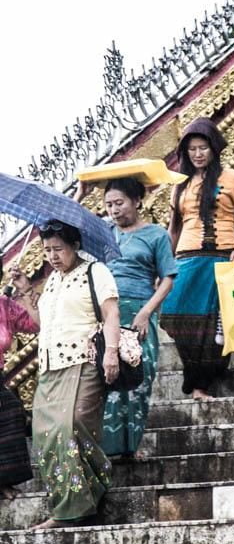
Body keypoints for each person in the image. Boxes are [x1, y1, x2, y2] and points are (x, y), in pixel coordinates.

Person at [11, 220, 121, 530]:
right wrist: (26, 291)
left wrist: (110, 352)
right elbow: (42, 322)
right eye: (47, 250)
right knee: (47, 437)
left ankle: (89, 494)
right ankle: (67, 507)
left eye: (58, 249)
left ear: (74, 245)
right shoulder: (53, 281)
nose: (53, 256)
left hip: (83, 361)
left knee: (70, 427)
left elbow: (111, 313)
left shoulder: (94, 271)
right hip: (50, 365)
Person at [75, 177, 177, 459]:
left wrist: (147, 312)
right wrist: (81, 194)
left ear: (137, 201)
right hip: (107, 312)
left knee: (139, 378)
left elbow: (168, 278)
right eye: (108, 205)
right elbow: (66, 232)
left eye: (119, 203)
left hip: (139, 313)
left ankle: (129, 447)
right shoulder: (103, 232)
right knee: (105, 378)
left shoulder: (156, 235)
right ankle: (104, 450)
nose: (114, 210)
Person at [160, 117, 234, 401]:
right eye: (192, 149)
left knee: (212, 324)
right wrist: (165, 261)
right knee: (174, 315)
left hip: (221, 258)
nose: (198, 154)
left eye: (203, 147)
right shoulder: (180, 183)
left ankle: (200, 385)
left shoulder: (232, 178)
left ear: (213, 148)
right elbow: (174, 227)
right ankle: (199, 378)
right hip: (186, 259)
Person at [0, 257, 39, 500]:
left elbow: (36, 324)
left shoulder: (4, 305)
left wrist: (24, 290)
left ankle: (4, 481)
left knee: (12, 410)